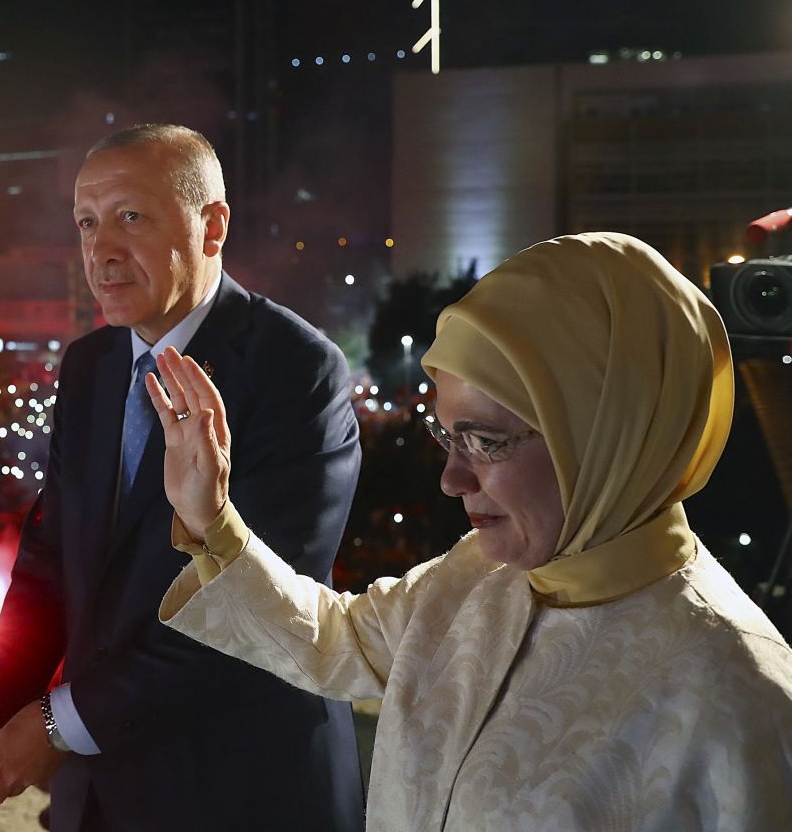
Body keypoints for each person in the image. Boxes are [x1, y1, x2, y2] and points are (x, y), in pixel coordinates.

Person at [151, 231, 792, 831]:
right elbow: (334, 641)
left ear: (608, 436)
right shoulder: (477, 577)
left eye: (485, 441)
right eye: (446, 435)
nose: (452, 478)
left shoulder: (741, 698)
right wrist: (212, 518)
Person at [0, 124, 365, 832]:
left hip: (243, 785)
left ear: (212, 227)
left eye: (130, 217)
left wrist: (60, 720)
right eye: (86, 222)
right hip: (101, 792)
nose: (100, 250)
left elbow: (251, 609)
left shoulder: (295, 370)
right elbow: (49, 565)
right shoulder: (88, 366)